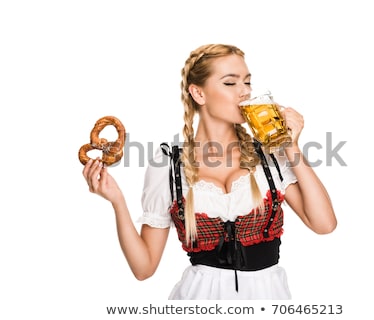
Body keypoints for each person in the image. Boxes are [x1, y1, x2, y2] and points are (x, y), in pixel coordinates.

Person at [82, 43, 337, 300]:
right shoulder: (169, 163)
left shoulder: (269, 155)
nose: (245, 93)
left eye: (247, 83)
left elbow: (324, 224)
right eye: (230, 83)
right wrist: (116, 200)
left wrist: (292, 148)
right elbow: (143, 268)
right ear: (199, 94)